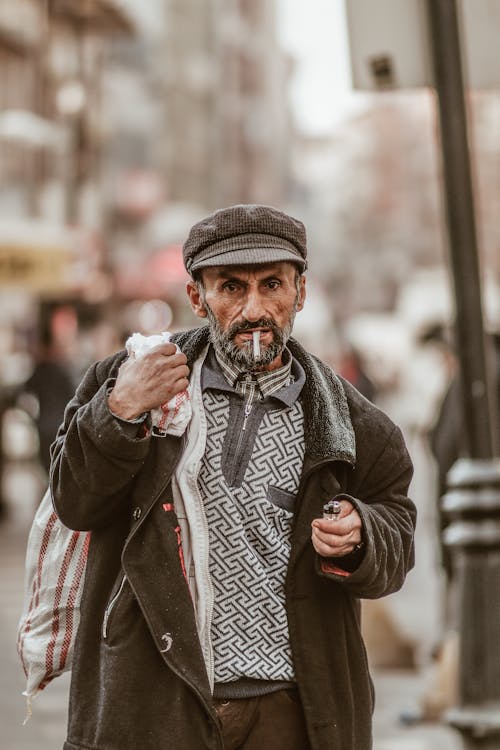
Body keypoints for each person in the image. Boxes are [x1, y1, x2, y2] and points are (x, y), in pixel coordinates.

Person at [50, 204, 416, 750]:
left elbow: (398, 535)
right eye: (230, 288)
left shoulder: (358, 425)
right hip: (153, 698)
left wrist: (363, 532)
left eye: (273, 285)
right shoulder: (125, 381)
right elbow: (75, 502)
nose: (255, 308)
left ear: (301, 292)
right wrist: (121, 410)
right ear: (197, 296)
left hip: (292, 709)